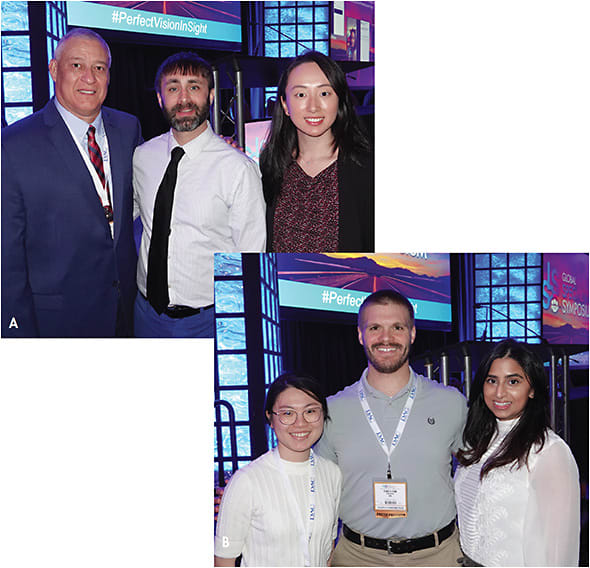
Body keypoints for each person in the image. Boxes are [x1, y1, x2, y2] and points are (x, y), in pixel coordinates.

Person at [1, 28, 142, 337]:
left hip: (128, 315)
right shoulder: (12, 145)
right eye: (77, 65)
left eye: (99, 67)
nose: (89, 78)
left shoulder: (128, 128)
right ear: (54, 69)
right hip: (59, 323)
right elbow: (6, 260)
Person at [314, 290, 468, 566]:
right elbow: (315, 486)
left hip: (438, 556)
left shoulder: (451, 403)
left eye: (397, 327)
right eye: (375, 328)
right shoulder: (332, 410)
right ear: (361, 335)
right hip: (357, 558)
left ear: (412, 333)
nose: (386, 338)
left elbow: (479, 472)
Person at [133, 52, 266, 338]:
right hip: (144, 314)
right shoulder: (142, 157)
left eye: (194, 87)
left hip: (206, 321)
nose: (183, 99)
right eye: (173, 88)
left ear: (211, 95)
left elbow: (251, 257)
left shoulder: (238, 169)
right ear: (159, 98)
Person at [454, 339, 580, 567]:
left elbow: (560, 549)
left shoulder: (549, 451)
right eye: (492, 381)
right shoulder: (478, 440)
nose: (500, 392)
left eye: (513, 381)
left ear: (532, 389)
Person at [214, 372, 342, 567]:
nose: (301, 423)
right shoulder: (246, 480)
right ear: (270, 418)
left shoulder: (332, 473)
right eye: (287, 413)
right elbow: (225, 557)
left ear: (323, 415)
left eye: (310, 411)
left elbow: (327, 547)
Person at [260, 51, 373, 253]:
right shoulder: (271, 164)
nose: (313, 107)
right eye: (301, 94)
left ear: (339, 99)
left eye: (324, 93)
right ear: (285, 105)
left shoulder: (367, 168)